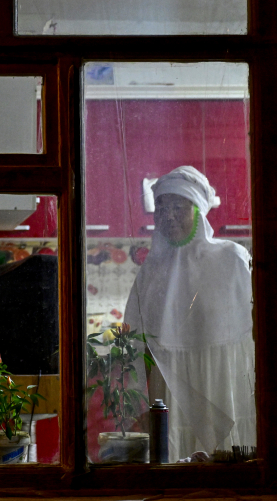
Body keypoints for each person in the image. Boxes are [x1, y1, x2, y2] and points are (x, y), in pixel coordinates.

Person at [124, 166, 255, 461]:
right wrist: (138, 406)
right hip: (169, 391)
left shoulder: (232, 259)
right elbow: (132, 344)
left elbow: (258, 334)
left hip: (222, 383)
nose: (168, 215)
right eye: (161, 207)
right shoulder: (150, 273)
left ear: (199, 211)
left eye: (179, 207)